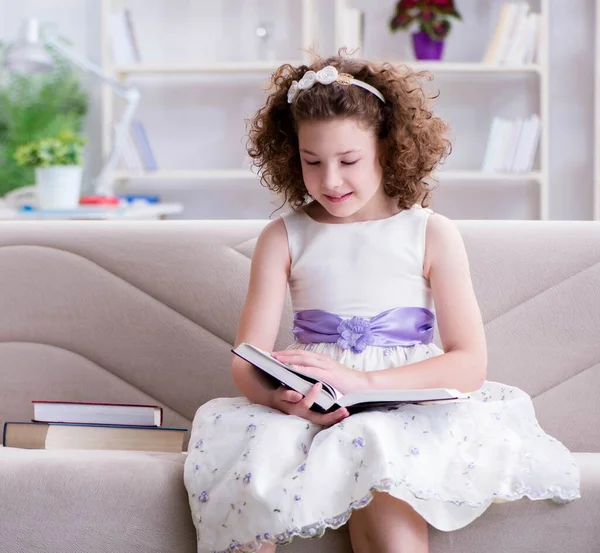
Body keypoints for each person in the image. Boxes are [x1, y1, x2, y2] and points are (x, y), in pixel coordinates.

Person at [184, 53, 580, 553]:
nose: (329, 181)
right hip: (315, 406)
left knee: (387, 506)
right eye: (312, 162)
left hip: (405, 401)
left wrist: (365, 383)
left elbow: (469, 363)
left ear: (388, 150)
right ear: (291, 155)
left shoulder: (429, 232)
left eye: (348, 161)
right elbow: (247, 359)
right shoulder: (283, 237)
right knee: (250, 500)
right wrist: (276, 398)